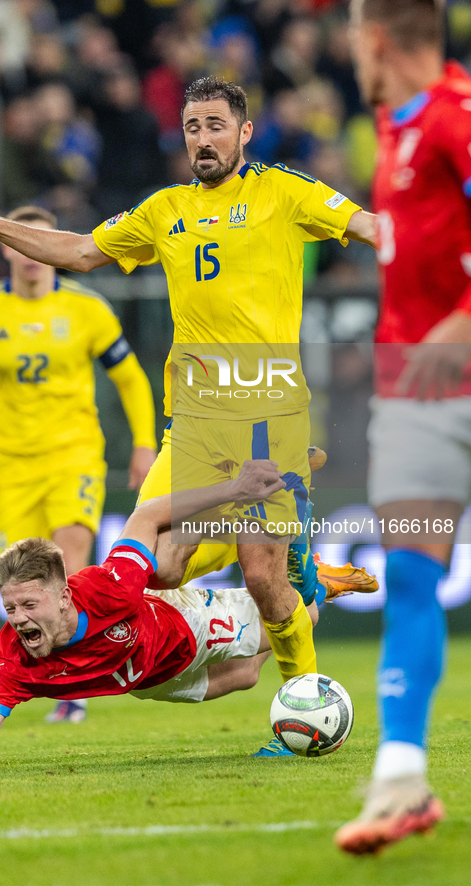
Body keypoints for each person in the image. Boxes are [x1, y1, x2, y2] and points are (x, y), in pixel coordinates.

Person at [0, 76, 377, 757]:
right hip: (193, 422)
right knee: (159, 570)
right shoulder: (163, 210)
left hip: (268, 413)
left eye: (215, 125)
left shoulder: (285, 191)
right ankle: (289, 539)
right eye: (192, 127)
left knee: (260, 579)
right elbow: (80, 250)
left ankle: (303, 705)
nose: (202, 138)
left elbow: (371, 227)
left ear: (244, 131)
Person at [0, 460, 290, 773]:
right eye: (10, 607)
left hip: (182, 628)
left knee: (294, 614)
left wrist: (233, 491)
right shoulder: (11, 659)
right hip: (147, 680)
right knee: (246, 675)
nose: (19, 619)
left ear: (63, 598)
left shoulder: (106, 588)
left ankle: (297, 558)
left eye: (29, 605)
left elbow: (147, 515)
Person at [335, 0, 471, 854]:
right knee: (412, 575)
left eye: (353, 37)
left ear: (377, 40)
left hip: (455, 371)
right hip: (412, 397)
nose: (350, 54)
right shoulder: (395, 127)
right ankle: (399, 779)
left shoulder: (457, 118)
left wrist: (461, 321)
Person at [0, 204, 157, 724]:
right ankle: (43, 675)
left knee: (70, 553)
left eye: (39, 243)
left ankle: (76, 685)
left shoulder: (88, 310)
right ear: (5, 247)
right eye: (19, 243)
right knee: (19, 581)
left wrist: (145, 444)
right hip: (12, 469)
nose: (30, 256)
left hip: (75, 456)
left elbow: (129, 377)